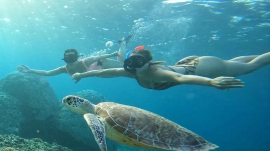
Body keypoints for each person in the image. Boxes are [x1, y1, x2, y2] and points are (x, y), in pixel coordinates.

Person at [72, 47, 270, 90]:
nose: (133, 67)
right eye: (130, 62)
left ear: (148, 63)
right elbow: (104, 72)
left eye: (138, 63)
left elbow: (181, 80)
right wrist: (82, 74)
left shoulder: (156, 72)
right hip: (188, 63)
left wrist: (211, 81)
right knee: (234, 63)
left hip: (201, 67)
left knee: (250, 67)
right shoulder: (131, 72)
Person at [17, 35, 132, 76]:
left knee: (124, 66)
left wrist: (112, 53)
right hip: (97, 72)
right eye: (68, 58)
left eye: (72, 58)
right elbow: (48, 73)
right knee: (118, 71)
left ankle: (122, 44)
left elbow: (99, 57)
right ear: (65, 59)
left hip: (102, 63)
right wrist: (30, 70)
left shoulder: (85, 61)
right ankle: (122, 44)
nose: (71, 61)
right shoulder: (64, 69)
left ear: (77, 58)